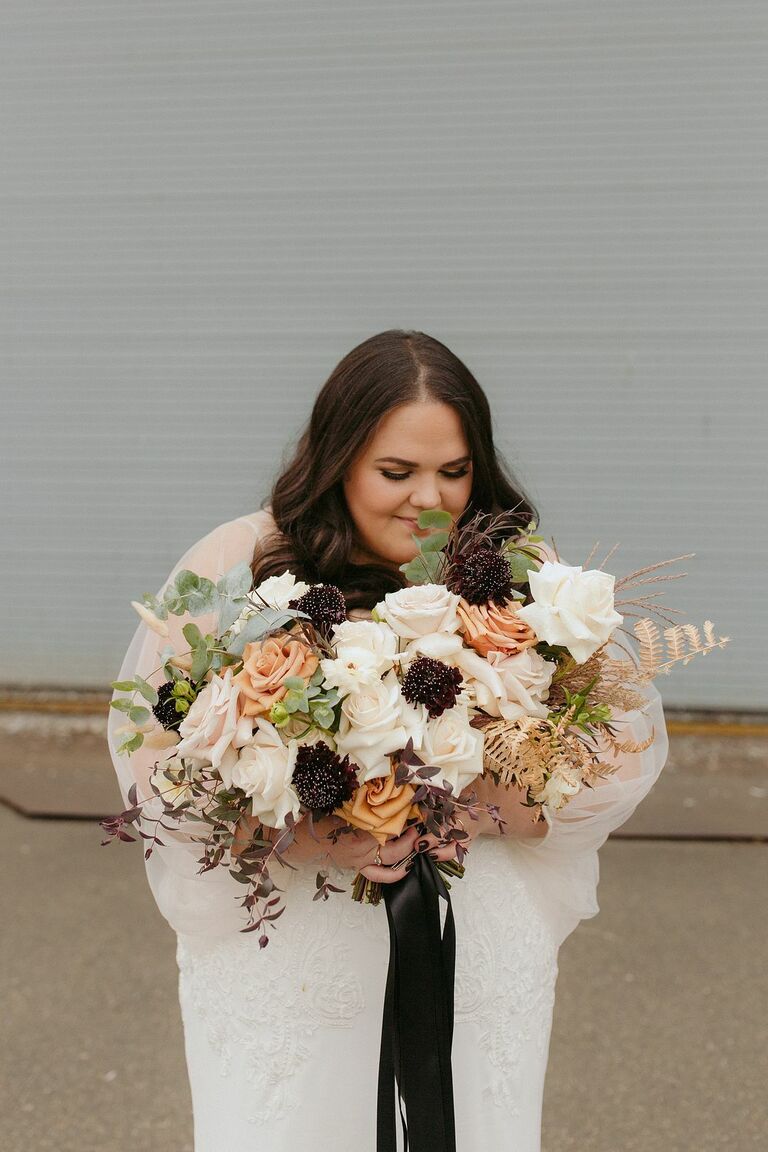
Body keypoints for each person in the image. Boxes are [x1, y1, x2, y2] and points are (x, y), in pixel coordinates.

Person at [106, 329, 669, 1151]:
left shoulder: (519, 575)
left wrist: (488, 805)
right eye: (396, 473)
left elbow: (613, 754)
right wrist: (306, 831)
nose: (429, 500)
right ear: (338, 458)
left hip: (469, 937)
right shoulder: (243, 562)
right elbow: (160, 776)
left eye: (454, 471)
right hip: (298, 942)